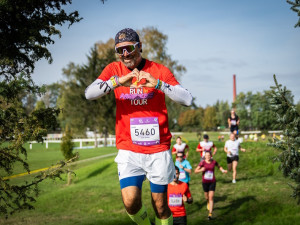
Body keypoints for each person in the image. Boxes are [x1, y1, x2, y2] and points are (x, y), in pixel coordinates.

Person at [85, 28, 193, 225]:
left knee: (160, 206)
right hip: (128, 149)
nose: (125, 54)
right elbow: (89, 93)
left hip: (157, 150)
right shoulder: (113, 70)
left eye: (129, 48)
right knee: (130, 203)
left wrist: (159, 84)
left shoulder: (159, 70)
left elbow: (187, 99)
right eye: (120, 50)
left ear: (140, 47)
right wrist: (118, 82)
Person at [194, 151, 227, 220]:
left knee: (211, 197)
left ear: (211, 156)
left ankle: (210, 214)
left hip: (212, 182)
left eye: (209, 155)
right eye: (206, 155)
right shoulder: (202, 162)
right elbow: (195, 171)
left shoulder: (214, 162)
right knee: (207, 197)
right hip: (205, 182)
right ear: (204, 156)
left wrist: (223, 170)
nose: (208, 156)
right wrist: (201, 170)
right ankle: (208, 202)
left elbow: (219, 166)